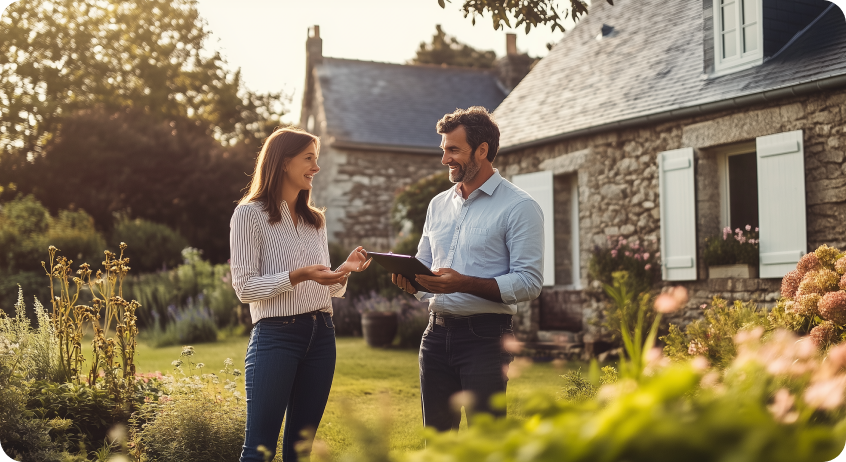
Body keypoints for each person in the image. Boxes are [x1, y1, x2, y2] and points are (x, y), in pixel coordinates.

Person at [391, 106, 544, 431]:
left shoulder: (520, 207)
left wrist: (463, 283)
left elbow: (530, 282)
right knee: (438, 443)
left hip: (486, 339)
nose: (445, 159)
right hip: (435, 334)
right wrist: (414, 282)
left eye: (453, 150)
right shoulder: (438, 204)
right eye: (444, 150)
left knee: (485, 445)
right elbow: (428, 266)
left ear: (482, 150)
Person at [230, 127, 371, 461]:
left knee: (300, 450)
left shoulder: (315, 220)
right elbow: (245, 288)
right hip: (276, 336)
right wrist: (298, 276)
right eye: (309, 159)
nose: (316, 168)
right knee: (259, 449)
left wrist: (344, 271)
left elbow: (329, 287)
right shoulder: (249, 215)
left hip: (322, 335)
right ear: (283, 162)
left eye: (316, 159)